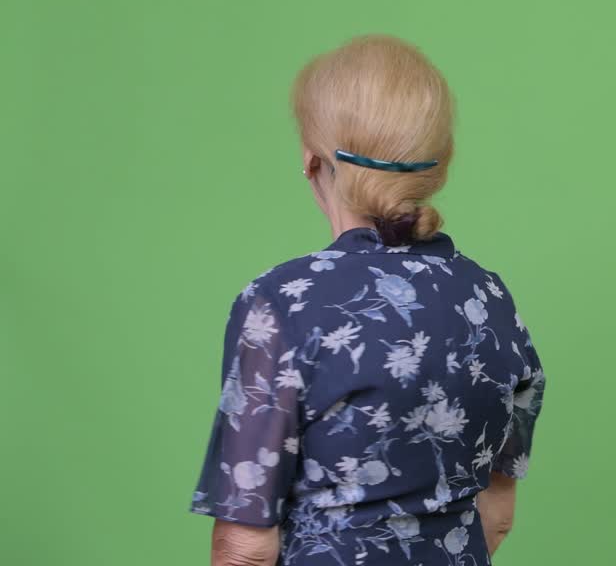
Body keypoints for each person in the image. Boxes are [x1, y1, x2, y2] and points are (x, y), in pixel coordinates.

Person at [191, 35, 546, 565]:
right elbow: (498, 511)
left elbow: (244, 548)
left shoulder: (282, 304)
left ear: (312, 163)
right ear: (438, 166)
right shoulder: (490, 298)